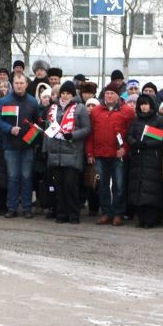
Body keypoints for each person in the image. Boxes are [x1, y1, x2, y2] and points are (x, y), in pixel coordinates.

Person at [0, 73, 40, 218]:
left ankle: (27, 208)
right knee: (12, 177)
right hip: (10, 146)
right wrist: (9, 129)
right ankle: (11, 207)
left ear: (26, 84)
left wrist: (31, 139)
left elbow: (37, 123)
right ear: (13, 84)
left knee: (26, 177)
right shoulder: (5, 101)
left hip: (27, 147)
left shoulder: (33, 102)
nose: (19, 85)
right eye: (17, 83)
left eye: (21, 83)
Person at [87, 83, 135, 226]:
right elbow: (91, 134)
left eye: (112, 93)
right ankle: (106, 212)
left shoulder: (127, 111)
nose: (109, 96)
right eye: (107, 93)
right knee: (103, 185)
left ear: (118, 96)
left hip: (118, 155)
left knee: (119, 185)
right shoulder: (96, 111)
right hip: (100, 154)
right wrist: (90, 153)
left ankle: (118, 213)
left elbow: (132, 133)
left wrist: (125, 148)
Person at [43, 81, 91, 224]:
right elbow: (48, 129)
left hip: (72, 152)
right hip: (55, 153)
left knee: (70, 185)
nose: (65, 96)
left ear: (73, 95)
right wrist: (46, 149)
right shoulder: (53, 108)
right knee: (58, 185)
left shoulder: (80, 108)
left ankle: (73, 214)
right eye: (63, 93)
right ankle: (61, 213)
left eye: (68, 93)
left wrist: (73, 135)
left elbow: (87, 128)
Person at [126, 94, 163, 228]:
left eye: (146, 104)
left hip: (152, 158)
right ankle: (141, 218)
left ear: (151, 105)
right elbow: (129, 135)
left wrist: (147, 143)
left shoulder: (158, 119)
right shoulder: (136, 120)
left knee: (151, 189)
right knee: (138, 188)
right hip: (137, 158)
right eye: (141, 104)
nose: (143, 107)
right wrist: (135, 143)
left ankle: (151, 219)